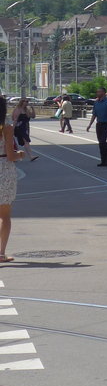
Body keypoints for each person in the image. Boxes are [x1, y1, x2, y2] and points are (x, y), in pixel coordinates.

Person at [0, 95, 28, 262]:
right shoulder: (7, 128)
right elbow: (10, 156)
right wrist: (21, 155)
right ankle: (1, 253)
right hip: (4, 170)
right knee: (4, 215)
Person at [86, 88, 107, 167]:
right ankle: (103, 161)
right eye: (97, 91)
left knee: (103, 141)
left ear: (103, 92)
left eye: (99, 91)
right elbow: (94, 115)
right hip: (99, 124)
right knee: (101, 143)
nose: (97, 93)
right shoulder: (96, 103)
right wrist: (89, 125)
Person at [13, 97, 38, 162]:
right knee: (26, 141)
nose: (27, 103)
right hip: (19, 127)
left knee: (24, 142)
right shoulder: (18, 109)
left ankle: (24, 156)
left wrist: (32, 108)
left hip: (26, 127)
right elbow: (15, 119)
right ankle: (30, 156)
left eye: (27, 101)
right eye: (26, 101)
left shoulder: (26, 110)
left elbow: (33, 116)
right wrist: (12, 129)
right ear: (22, 102)